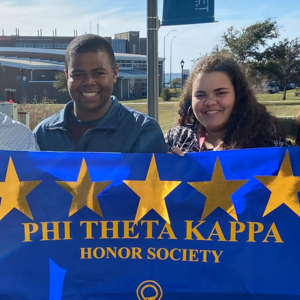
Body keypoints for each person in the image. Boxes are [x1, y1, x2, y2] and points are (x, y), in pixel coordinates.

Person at [33, 34, 167, 153]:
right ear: (67, 76)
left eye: (98, 73)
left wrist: (177, 164)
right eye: (78, 74)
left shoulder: (142, 131)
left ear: (114, 74)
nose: (89, 82)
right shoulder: (43, 134)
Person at [165, 54, 289, 154]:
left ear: (238, 95)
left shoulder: (265, 136)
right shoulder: (177, 138)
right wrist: (165, 168)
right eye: (200, 95)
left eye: (220, 93)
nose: (210, 102)